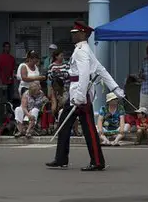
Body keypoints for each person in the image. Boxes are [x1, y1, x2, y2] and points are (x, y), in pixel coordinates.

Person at [45, 21, 125, 171]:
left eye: (75, 33)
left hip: (80, 94)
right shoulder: (84, 50)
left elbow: (84, 75)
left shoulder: (82, 51)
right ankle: (61, 158)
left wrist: (81, 96)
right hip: (76, 93)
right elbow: (102, 70)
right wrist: (115, 88)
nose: (72, 35)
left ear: (83, 34)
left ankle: (97, 161)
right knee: (64, 123)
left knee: (88, 129)